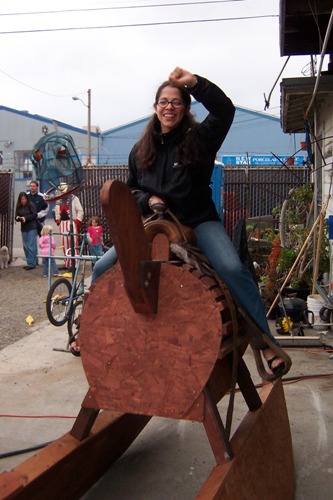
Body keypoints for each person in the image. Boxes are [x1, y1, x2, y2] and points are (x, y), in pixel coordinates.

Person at [90, 67, 285, 374]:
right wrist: (148, 200)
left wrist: (193, 83)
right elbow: (131, 189)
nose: (169, 107)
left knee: (233, 269)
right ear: (155, 107)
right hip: (154, 224)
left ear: (186, 107)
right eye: (164, 102)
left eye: (176, 102)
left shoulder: (201, 138)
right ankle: (91, 334)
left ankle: (267, 343)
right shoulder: (140, 150)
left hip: (197, 222)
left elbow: (224, 109)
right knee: (102, 268)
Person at [54, 183, 84, 269]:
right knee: (64, 244)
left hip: (72, 222)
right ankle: (66, 263)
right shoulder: (58, 200)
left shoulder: (74, 199)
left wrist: (77, 222)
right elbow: (56, 211)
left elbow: (80, 211)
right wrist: (58, 221)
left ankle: (74, 264)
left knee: (73, 243)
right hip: (62, 223)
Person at [26, 180, 49, 265]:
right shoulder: (26, 196)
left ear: (37, 187)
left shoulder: (42, 197)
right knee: (31, 243)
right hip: (30, 223)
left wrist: (38, 215)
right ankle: (34, 261)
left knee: (44, 241)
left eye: (34, 186)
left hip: (40, 222)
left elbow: (46, 209)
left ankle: (45, 260)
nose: (32, 187)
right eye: (31, 186)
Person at [15, 192, 38, 270]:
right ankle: (29, 262)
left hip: (32, 227)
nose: (23, 200)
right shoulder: (19, 207)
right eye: (22, 199)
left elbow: (35, 215)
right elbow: (16, 215)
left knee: (31, 245)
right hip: (24, 228)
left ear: (27, 199)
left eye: (24, 199)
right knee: (25, 246)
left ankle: (32, 263)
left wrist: (26, 218)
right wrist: (17, 218)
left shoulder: (30, 205)